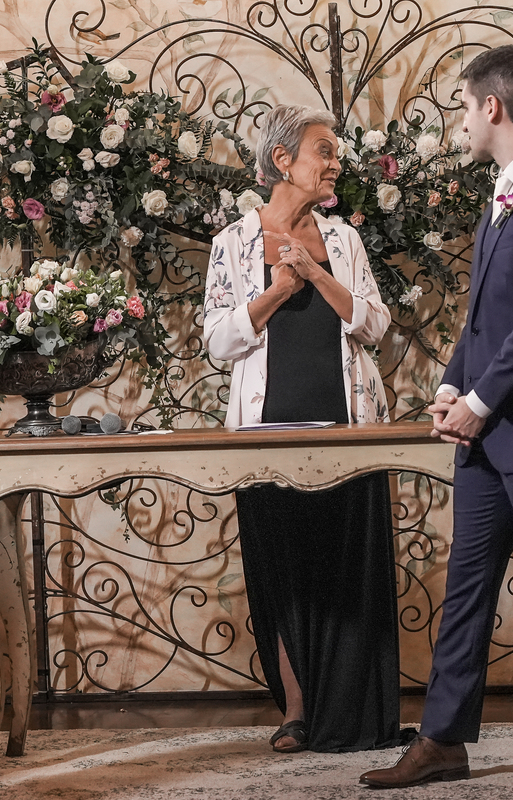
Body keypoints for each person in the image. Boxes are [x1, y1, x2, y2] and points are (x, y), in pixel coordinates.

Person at [359, 44, 513, 798]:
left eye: (465, 107)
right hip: (488, 435)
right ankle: (442, 740)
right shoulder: (505, 193)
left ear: (492, 107)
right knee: (467, 589)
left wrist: (477, 404)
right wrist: (452, 386)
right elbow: (485, 320)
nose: (462, 121)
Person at [203, 105, 398, 754]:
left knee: (347, 573)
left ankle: (353, 714)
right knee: (283, 574)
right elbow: (218, 342)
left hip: (349, 433)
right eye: (324, 150)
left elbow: (376, 325)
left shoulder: (343, 241)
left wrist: (315, 275)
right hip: (265, 438)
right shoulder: (232, 243)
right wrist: (278, 291)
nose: (336, 162)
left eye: (336, 151)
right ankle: (296, 711)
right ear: (282, 160)